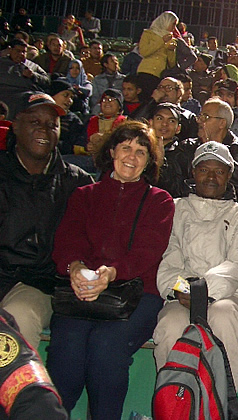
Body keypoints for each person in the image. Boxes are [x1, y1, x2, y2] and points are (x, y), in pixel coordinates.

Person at [48, 120, 174, 420]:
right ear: (112, 151)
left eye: (141, 152)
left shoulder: (159, 201)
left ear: (149, 161)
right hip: (83, 290)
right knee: (67, 347)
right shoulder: (84, 195)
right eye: (126, 147)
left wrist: (112, 273)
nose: (132, 156)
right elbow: (67, 240)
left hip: (136, 294)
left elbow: (148, 251)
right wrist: (75, 268)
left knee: (107, 348)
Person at [154, 141, 238, 388]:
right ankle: (174, 403)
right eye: (203, 170)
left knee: (222, 316)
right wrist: (182, 289)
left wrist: (202, 291)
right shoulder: (175, 209)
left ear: (228, 176)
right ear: (193, 172)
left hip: (227, 294)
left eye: (219, 171)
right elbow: (169, 260)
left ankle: (221, 402)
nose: (211, 177)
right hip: (181, 295)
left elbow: (237, 264)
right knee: (170, 325)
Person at [0, 92, 92, 350]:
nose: (44, 129)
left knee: (18, 317)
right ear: (15, 125)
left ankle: (20, 379)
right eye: (35, 122)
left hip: (39, 284)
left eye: (52, 124)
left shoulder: (77, 182)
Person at [158, 98, 238, 203]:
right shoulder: (187, 147)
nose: (199, 121)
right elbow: (173, 186)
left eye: (205, 117)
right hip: (192, 207)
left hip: (231, 208)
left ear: (222, 123)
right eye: (200, 116)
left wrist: (215, 151)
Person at [0, 39, 50, 119]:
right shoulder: (2, 63)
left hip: (27, 95)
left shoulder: (32, 66)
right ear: (10, 50)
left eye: (24, 52)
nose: (21, 54)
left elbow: (47, 80)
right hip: (5, 93)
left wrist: (33, 75)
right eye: (18, 51)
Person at [136, 11, 179, 102]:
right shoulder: (148, 33)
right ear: (166, 22)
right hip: (145, 72)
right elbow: (144, 52)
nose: (174, 28)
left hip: (159, 75)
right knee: (143, 100)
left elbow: (171, 64)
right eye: (173, 24)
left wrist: (171, 50)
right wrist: (162, 41)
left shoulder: (171, 39)